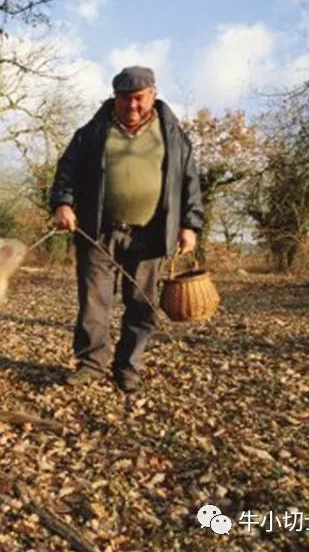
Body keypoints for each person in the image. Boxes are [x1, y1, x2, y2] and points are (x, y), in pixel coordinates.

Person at [49, 65, 204, 392]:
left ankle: (128, 367)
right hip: (98, 230)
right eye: (124, 99)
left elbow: (189, 182)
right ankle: (91, 364)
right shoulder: (92, 132)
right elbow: (67, 171)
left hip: (151, 233)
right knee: (94, 303)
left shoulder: (173, 135)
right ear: (114, 98)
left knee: (142, 304)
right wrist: (63, 204)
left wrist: (190, 225)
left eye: (138, 99)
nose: (132, 106)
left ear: (153, 95)